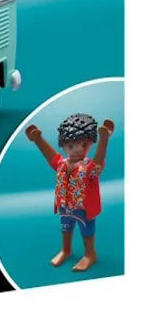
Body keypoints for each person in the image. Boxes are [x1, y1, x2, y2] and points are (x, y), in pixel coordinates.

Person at [25, 113, 114, 272]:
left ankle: (90, 254)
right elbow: (50, 155)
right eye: (71, 146)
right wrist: (38, 140)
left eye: (84, 145)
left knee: (86, 230)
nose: (77, 150)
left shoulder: (89, 167)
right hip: (64, 206)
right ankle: (66, 250)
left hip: (83, 209)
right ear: (63, 145)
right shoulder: (61, 164)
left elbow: (98, 164)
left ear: (91, 143)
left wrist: (104, 139)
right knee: (65, 228)